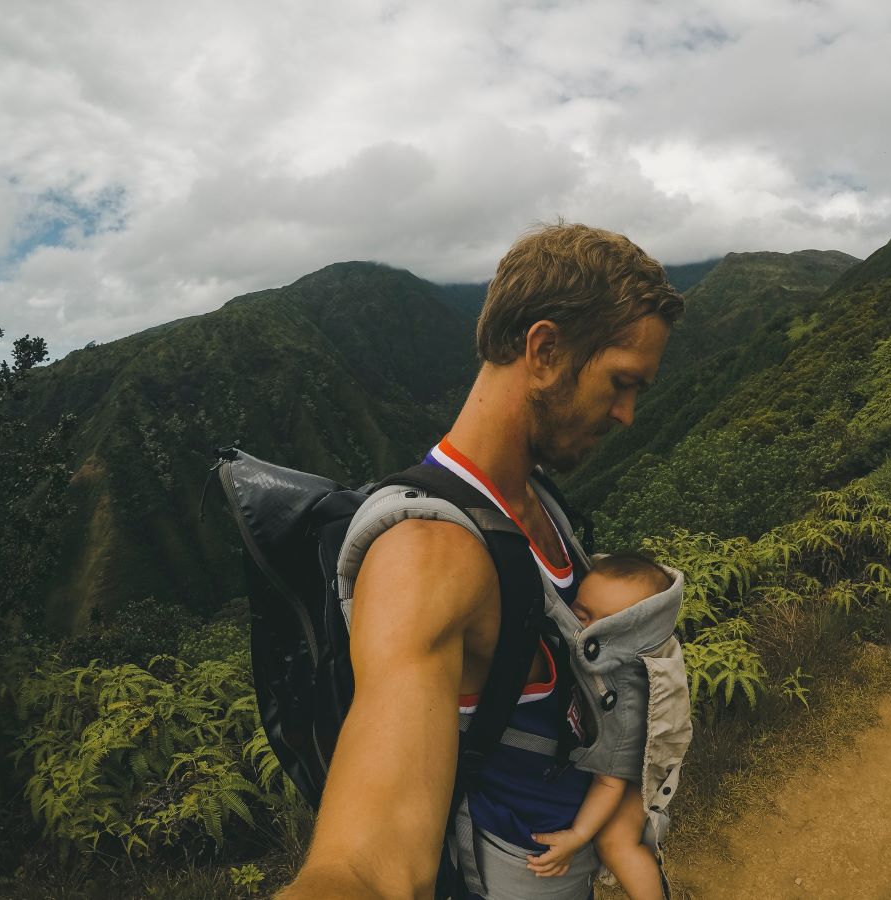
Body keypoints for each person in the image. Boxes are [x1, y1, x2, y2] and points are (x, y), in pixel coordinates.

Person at [279, 223, 685, 899]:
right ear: (546, 350)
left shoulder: (538, 504)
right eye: (621, 383)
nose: (628, 415)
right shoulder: (427, 556)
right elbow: (369, 863)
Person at [526, 552, 689, 900]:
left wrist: (578, 836)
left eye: (607, 627)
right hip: (625, 756)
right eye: (582, 615)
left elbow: (609, 781)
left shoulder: (626, 701)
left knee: (615, 842)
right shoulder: (622, 656)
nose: (587, 631)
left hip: (634, 769)